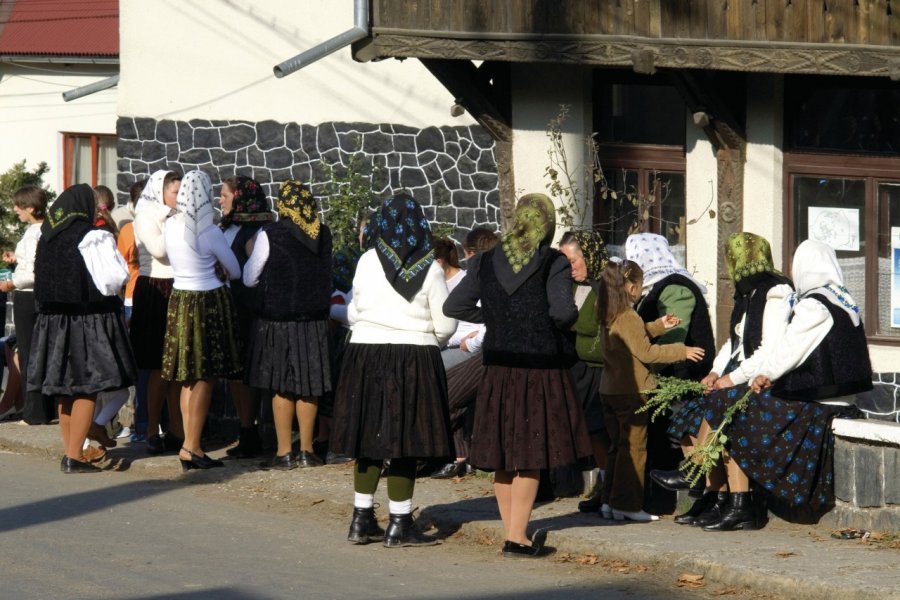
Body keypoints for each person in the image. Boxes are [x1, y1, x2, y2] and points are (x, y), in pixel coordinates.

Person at [444, 193, 591, 558]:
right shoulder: (551, 260)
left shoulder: (486, 261)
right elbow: (562, 313)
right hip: (539, 369)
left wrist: (497, 319)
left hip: (497, 367)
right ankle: (517, 536)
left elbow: (454, 306)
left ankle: (513, 532)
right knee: (530, 452)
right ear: (547, 223)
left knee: (502, 450)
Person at [704, 240, 872, 531]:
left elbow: (790, 349)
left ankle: (741, 503)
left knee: (727, 404)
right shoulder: (844, 298)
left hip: (817, 401)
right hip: (839, 397)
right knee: (731, 403)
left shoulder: (814, 305)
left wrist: (765, 374)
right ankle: (731, 499)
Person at [332, 194, 456, 548]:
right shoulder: (431, 268)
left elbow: (354, 311)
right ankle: (400, 522)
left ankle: (361, 518)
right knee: (404, 440)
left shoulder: (367, 261)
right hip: (414, 357)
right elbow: (446, 325)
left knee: (367, 437)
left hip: (365, 355)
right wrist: (421, 334)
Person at [656, 232, 793, 526]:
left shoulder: (776, 292)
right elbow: (733, 343)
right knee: (690, 415)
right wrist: (716, 372)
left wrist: (732, 378)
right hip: (739, 375)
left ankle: (709, 482)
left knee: (722, 415)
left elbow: (769, 349)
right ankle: (714, 497)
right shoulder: (747, 296)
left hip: (764, 380)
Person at [27, 183, 136, 472]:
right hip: (86, 321)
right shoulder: (92, 236)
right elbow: (112, 280)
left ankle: (71, 451)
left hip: (52, 323)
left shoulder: (47, 238)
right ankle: (74, 456)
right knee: (86, 388)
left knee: (65, 390)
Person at [596, 259, 705, 522]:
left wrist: (658, 325)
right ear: (631, 287)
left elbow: (634, 339)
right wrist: (682, 351)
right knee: (634, 450)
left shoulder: (610, 313)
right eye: (641, 285)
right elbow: (645, 351)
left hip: (610, 390)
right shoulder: (629, 316)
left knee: (616, 449)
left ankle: (609, 502)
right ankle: (629, 505)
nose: (642, 291)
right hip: (632, 393)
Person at [243, 180, 332, 470]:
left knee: (282, 386)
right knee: (309, 386)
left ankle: (284, 453)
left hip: (278, 320)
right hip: (314, 320)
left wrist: (249, 251)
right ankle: (307, 451)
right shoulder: (323, 234)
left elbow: (250, 277)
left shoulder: (271, 233)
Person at [161, 170, 242, 471]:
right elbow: (234, 270)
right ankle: (192, 446)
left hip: (180, 298)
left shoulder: (170, 225)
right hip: (207, 300)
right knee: (205, 375)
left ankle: (188, 443)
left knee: (188, 376)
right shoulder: (208, 230)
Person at [625, 233, 715, 499]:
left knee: (686, 437)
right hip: (667, 377)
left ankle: (697, 500)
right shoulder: (653, 287)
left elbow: (676, 333)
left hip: (681, 377)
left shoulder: (675, 287)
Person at [430, 228, 498, 480]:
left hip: (481, 350)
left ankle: (452, 454)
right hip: (469, 345)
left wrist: (470, 343)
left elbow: (485, 328)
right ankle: (456, 453)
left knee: (441, 384)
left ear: (472, 254)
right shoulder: (480, 275)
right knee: (439, 380)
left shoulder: (482, 277)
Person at [219, 176, 274, 459]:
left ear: (240, 198)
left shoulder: (255, 233)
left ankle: (250, 432)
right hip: (230, 307)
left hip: (245, 310)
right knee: (235, 374)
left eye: (225, 196)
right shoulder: (230, 227)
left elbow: (255, 275)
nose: (220, 200)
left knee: (245, 373)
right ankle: (246, 431)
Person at [558, 230, 611, 514]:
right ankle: (600, 483)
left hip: (598, 371)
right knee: (588, 431)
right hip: (576, 368)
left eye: (573, 260)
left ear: (588, 255)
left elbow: (601, 331)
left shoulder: (605, 286)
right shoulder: (568, 285)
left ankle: (607, 485)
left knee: (599, 430)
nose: (570, 268)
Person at [132, 170, 184, 454]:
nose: (179, 198)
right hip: (155, 288)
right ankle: (152, 428)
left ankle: (177, 430)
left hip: (180, 285)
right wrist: (174, 219)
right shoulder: (146, 215)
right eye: (175, 192)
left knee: (178, 366)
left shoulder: (175, 215)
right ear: (161, 192)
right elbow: (159, 249)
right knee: (158, 365)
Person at [0, 185, 52, 425]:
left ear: (31, 208)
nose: (15, 210)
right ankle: (43, 409)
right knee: (38, 352)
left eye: (19, 206)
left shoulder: (35, 232)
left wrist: (11, 283)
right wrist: (16, 259)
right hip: (37, 296)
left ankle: (34, 412)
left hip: (27, 297)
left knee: (30, 354)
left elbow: (34, 271)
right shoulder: (43, 229)